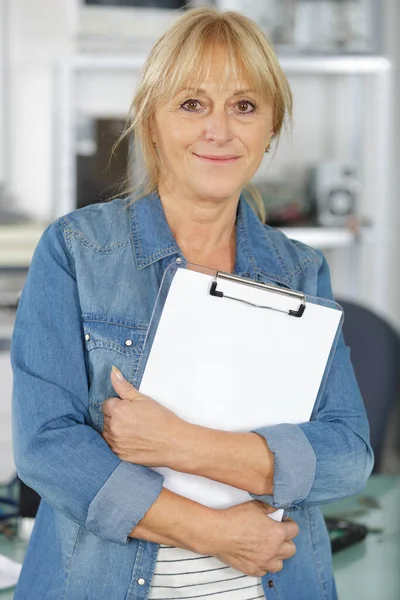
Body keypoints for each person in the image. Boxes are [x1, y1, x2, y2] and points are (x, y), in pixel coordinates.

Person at [11, 7, 373, 600]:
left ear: (271, 126)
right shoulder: (77, 250)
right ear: (151, 121)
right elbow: (47, 448)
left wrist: (180, 443)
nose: (220, 130)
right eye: (192, 104)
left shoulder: (301, 269)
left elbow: (348, 456)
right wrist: (214, 532)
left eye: (245, 106)